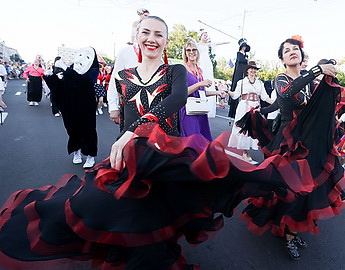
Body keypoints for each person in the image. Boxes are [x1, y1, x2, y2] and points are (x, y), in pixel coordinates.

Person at [0, 15, 303, 269]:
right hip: (131, 158)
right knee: (95, 211)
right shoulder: (124, 75)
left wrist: (138, 128)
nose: (152, 38)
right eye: (146, 32)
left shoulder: (176, 71)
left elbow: (178, 98)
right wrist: (123, 135)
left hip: (165, 158)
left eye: (159, 34)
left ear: (166, 42)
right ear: (137, 38)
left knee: (159, 226)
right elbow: (125, 116)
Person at [237, 37, 345, 260]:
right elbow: (286, 94)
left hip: (307, 140)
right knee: (290, 189)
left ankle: (292, 229)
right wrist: (317, 70)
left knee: (305, 188)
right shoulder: (281, 78)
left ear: (301, 54)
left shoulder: (308, 80)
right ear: (282, 59)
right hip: (288, 142)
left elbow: (290, 103)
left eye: (295, 49)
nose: (292, 52)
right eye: (286, 50)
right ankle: (288, 233)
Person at [44, 47, 99, 169]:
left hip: (85, 105)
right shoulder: (72, 68)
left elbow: (84, 82)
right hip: (70, 104)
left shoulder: (93, 70)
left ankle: (90, 155)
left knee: (88, 129)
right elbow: (62, 88)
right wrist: (51, 78)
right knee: (72, 129)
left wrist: (66, 69)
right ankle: (76, 151)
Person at [225, 61, 273, 162]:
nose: (253, 70)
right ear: (247, 70)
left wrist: (277, 103)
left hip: (255, 107)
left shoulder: (260, 83)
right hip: (244, 107)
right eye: (251, 68)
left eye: (255, 69)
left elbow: (265, 97)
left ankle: (263, 149)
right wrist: (226, 91)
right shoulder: (241, 82)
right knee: (245, 130)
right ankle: (245, 151)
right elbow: (235, 96)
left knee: (257, 129)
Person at [179, 41, 223, 141]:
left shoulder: (199, 70)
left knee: (203, 139)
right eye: (188, 50)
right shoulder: (182, 68)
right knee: (191, 141)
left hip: (200, 110)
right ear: (185, 53)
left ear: (197, 52)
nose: (191, 52)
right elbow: (182, 93)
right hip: (188, 111)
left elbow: (201, 93)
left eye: (194, 49)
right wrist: (200, 83)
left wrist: (217, 93)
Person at [197, 31, 229, 118]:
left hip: (207, 63)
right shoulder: (197, 45)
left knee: (208, 80)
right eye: (204, 35)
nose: (205, 37)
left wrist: (225, 42)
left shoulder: (207, 44)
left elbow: (216, 43)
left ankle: (208, 105)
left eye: (206, 36)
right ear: (200, 36)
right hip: (201, 62)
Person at [228, 38, 250, 120]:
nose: (244, 48)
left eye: (245, 46)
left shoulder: (246, 55)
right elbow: (240, 60)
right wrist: (245, 59)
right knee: (236, 89)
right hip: (238, 73)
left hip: (244, 72)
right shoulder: (239, 54)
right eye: (243, 46)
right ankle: (233, 111)